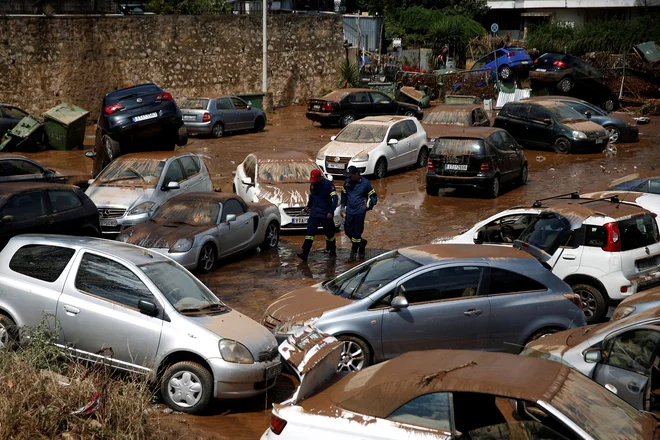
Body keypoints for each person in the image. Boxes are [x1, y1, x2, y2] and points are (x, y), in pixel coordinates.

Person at [298, 169, 338, 262]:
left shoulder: (329, 185)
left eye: (316, 179)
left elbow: (335, 199)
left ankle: (332, 249)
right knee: (309, 233)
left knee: (329, 234)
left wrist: (331, 211)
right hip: (315, 213)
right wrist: (308, 206)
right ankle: (305, 253)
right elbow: (312, 197)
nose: (314, 182)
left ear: (320, 177)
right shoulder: (312, 184)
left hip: (325, 213)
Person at [341, 166, 378, 261]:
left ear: (356, 174)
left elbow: (373, 196)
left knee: (357, 233)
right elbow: (344, 194)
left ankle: (353, 256)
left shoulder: (365, 183)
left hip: (360, 211)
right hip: (349, 210)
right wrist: (342, 206)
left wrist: (370, 205)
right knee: (347, 230)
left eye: (350, 176)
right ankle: (362, 243)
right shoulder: (347, 182)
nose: (348, 177)